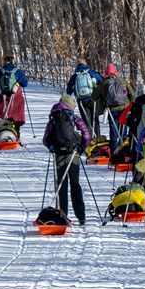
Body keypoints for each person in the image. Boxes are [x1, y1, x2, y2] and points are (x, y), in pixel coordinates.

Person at [42, 94, 91, 225]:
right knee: (75, 184)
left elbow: (45, 139)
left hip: (58, 154)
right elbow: (86, 133)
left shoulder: (53, 117)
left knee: (61, 185)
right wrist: (82, 147)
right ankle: (81, 216)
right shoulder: (74, 117)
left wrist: (51, 147)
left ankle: (62, 216)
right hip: (73, 153)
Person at [91, 63, 135, 156]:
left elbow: (93, 97)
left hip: (112, 110)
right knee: (123, 130)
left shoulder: (104, 83)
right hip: (124, 109)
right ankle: (124, 151)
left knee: (113, 131)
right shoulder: (122, 81)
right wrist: (131, 104)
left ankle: (114, 153)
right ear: (115, 72)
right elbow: (131, 93)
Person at [65, 58, 104, 139]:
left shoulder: (75, 75)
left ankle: (88, 141)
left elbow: (68, 91)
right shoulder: (91, 72)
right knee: (95, 120)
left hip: (82, 102)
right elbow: (102, 82)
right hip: (93, 99)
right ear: (86, 64)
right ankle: (98, 140)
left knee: (86, 122)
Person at [0, 55, 28, 137]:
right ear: (13, 61)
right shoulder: (18, 71)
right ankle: (16, 134)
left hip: (2, 98)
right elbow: (25, 84)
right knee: (16, 116)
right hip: (16, 98)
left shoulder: (0, 71)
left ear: (4, 61)